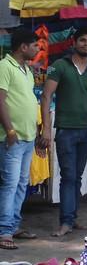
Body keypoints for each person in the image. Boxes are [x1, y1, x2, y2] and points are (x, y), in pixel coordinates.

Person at [40, 27, 87, 237]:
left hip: (86, 131)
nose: (86, 44)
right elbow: (46, 97)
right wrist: (46, 129)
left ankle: (72, 218)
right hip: (66, 130)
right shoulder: (60, 66)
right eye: (82, 40)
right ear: (74, 43)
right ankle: (65, 221)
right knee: (68, 176)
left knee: (77, 177)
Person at [0, 29, 40, 249]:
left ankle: (13, 225)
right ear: (23, 47)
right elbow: (1, 100)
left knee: (21, 184)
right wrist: (10, 131)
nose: (37, 49)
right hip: (12, 137)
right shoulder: (4, 67)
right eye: (34, 45)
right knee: (10, 184)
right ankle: (4, 230)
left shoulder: (26, 70)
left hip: (27, 137)